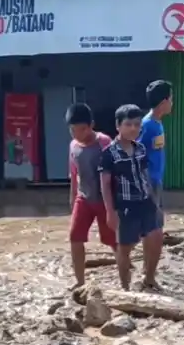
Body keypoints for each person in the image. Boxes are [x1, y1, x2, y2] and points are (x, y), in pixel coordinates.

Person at [99, 104, 160, 291]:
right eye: (128, 124)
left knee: (155, 239)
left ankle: (149, 279)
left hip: (145, 202)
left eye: (136, 124)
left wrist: (155, 202)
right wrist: (110, 212)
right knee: (124, 249)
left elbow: (145, 176)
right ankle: (125, 288)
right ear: (118, 126)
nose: (133, 128)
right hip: (125, 206)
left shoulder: (140, 148)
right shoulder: (109, 154)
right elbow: (105, 185)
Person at [65, 102, 116, 288]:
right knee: (75, 237)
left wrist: (114, 207)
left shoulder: (104, 143)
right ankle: (79, 282)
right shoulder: (73, 146)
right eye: (72, 130)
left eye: (79, 129)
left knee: (113, 241)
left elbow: (115, 174)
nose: (75, 134)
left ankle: (124, 280)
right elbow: (73, 173)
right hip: (84, 198)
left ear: (90, 126)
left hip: (105, 200)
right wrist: (72, 197)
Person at [139, 79, 172, 289]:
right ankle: (149, 279)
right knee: (156, 231)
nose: (172, 103)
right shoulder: (147, 125)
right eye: (171, 98)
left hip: (155, 181)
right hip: (148, 183)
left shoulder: (157, 122)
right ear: (164, 101)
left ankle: (146, 270)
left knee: (150, 229)